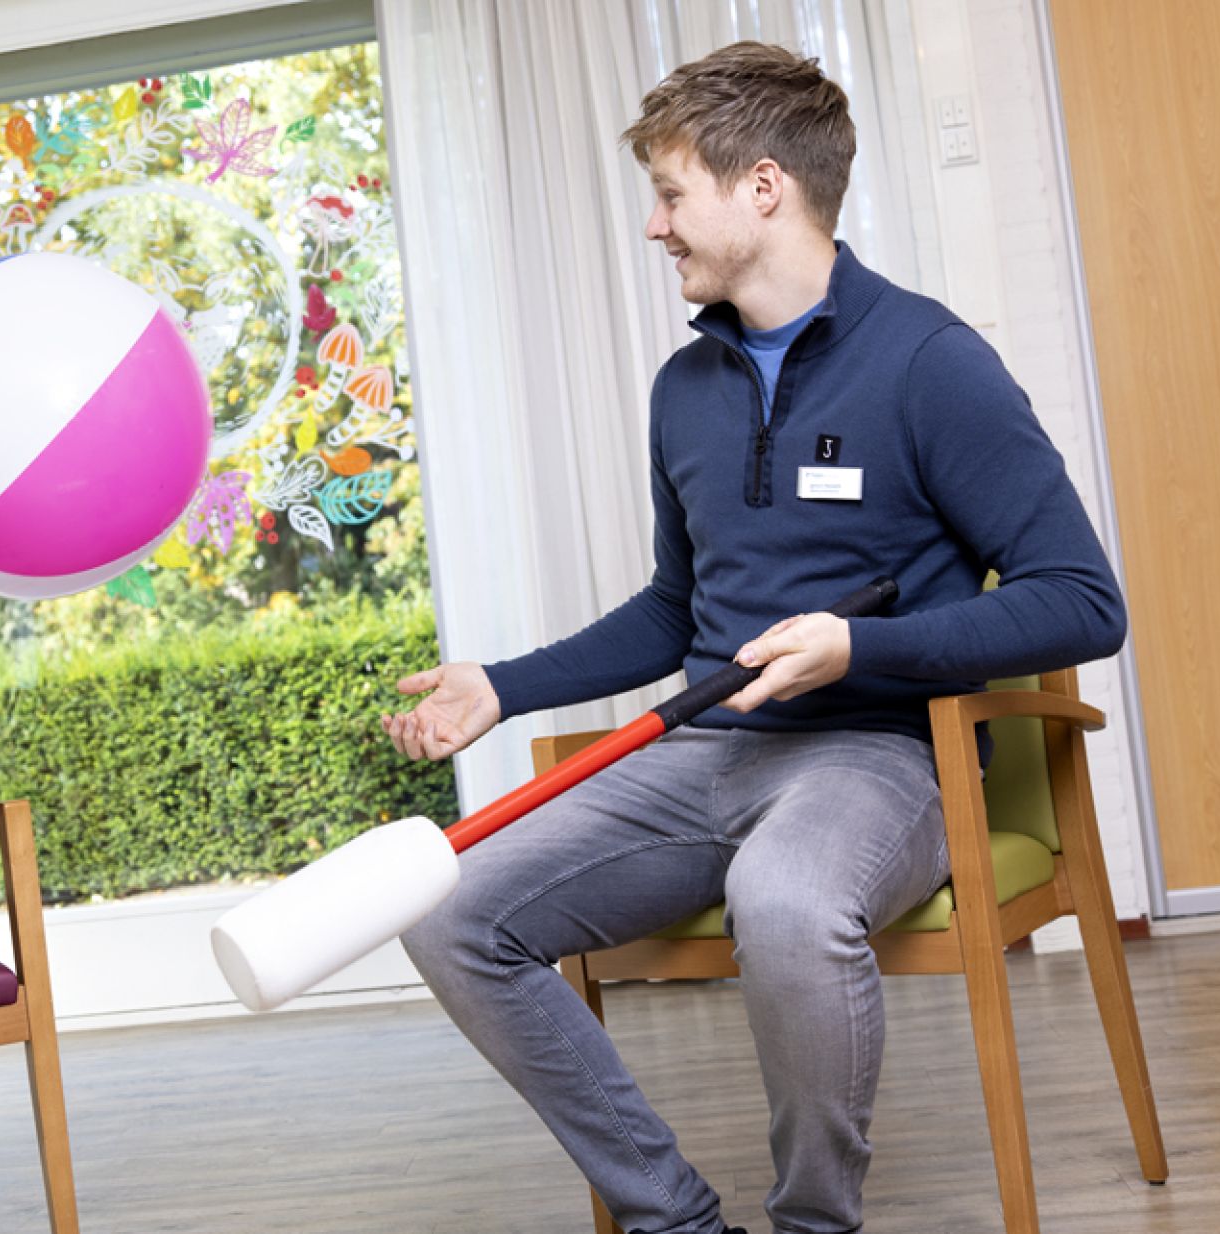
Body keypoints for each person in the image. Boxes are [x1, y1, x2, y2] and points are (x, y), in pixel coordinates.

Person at [382, 42, 1125, 1234]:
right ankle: (673, 1218)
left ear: (763, 188)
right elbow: (678, 611)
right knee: (450, 912)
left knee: (784, 900)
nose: (654, 226)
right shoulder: (689, 387)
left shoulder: (931, 364)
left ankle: (815, 1224)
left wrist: (856, 649)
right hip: (706, 754)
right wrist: (500, 687)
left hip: (882, 754)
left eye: (673, 194)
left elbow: (1084, 599)